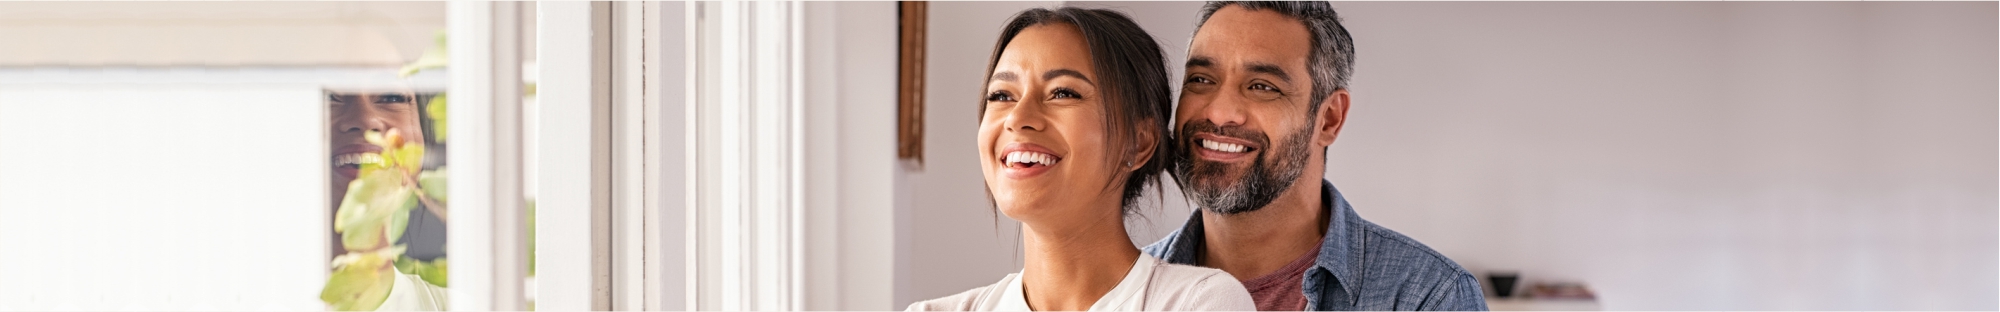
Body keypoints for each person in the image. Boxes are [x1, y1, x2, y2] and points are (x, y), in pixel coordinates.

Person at [1142, 2, 1488, 311]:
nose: (1219, 113)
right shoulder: (1128, 290)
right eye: (1201, 79)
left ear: (1329, 119)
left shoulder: (1430, 297)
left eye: (1262, 86)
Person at [908, 7, 1254, 311]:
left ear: (1139, 142)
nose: (1017, 117)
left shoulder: (1201, 302)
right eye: (1002, 95)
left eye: (1063, 93)